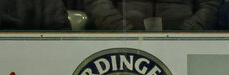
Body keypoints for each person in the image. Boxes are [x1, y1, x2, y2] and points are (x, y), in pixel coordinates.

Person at [82, 0, 217, 30]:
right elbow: (98, 4)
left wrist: (188, 31)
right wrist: (122, 29)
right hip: (121, 41)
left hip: (185, 41)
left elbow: (209, 5)